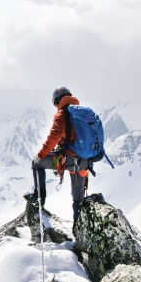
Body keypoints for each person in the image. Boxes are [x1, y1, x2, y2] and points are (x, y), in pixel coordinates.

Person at [25, 87, 89, 221]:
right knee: (78, 201)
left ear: (57, 100)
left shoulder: (63, 113)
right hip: (84, 163)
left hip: (68, 160)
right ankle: (79, 233)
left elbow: (53, 137)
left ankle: (39, 199)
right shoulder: (83, 114)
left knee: (36, 163)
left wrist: (41, 155)